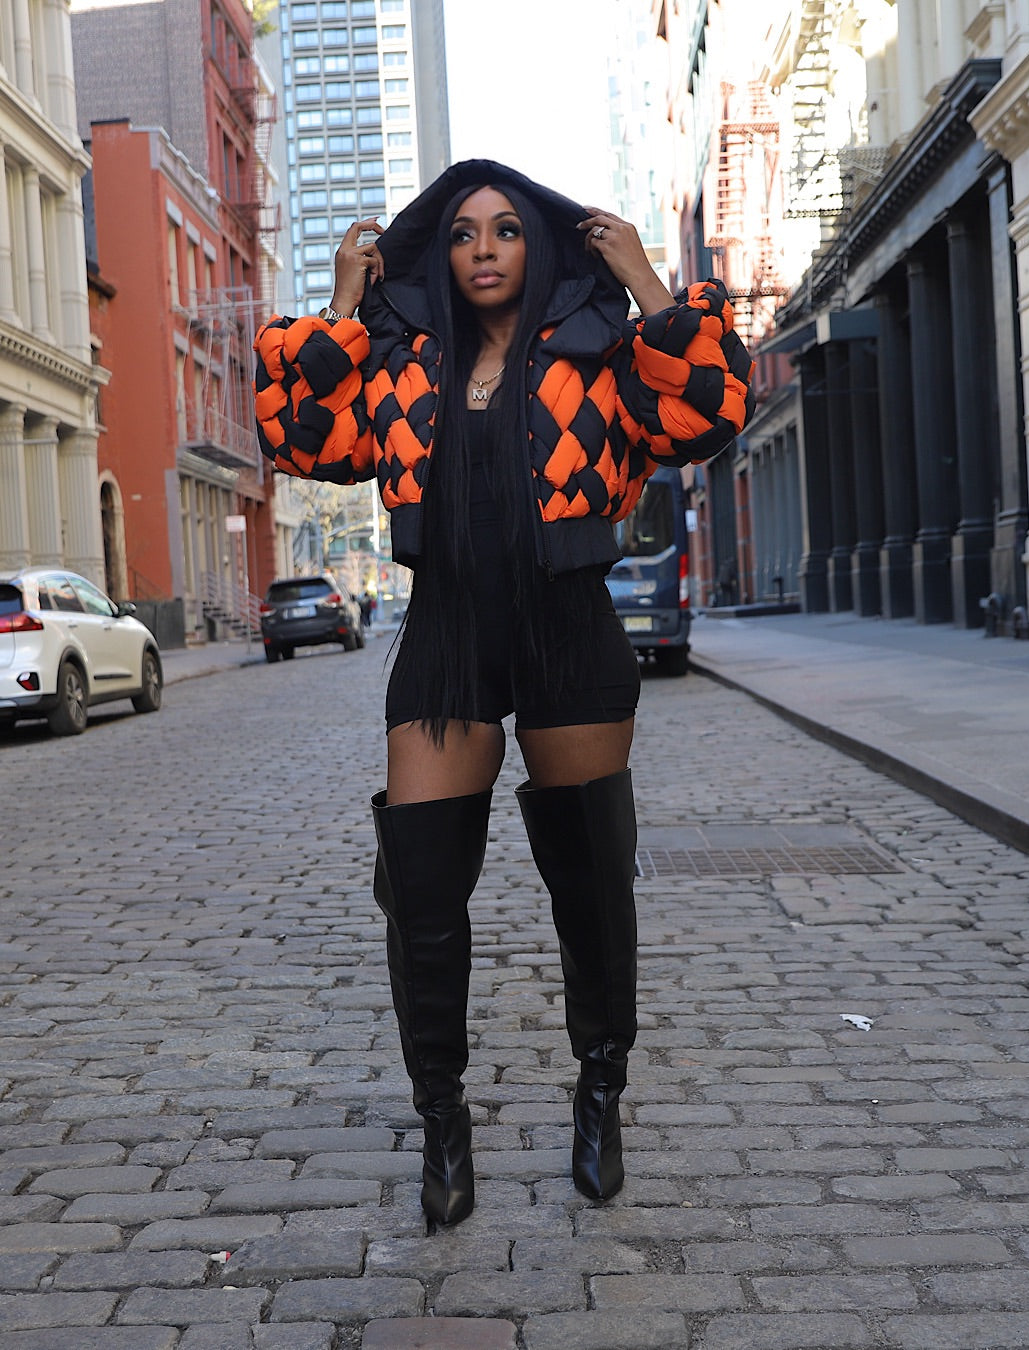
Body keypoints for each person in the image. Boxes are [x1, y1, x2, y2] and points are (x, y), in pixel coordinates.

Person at [252, 159, 755, 1227]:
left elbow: (711, 412)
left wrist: (647, 282)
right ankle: (442, 1120)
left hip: (568, 626)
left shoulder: (602, 354)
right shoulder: (405, 368)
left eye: (507, 229)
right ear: (441, 254)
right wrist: (343, 306)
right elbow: (296, 437)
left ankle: (600, 1092)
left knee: (591, 883)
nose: (483, 248)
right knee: (422, 890)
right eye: (464, 232)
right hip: (447, 635)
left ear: (540, 245)